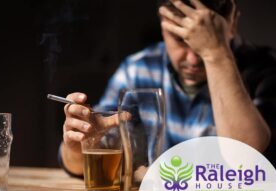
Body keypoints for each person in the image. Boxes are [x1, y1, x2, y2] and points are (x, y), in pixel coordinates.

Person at [58, 0, 276, 176]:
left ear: (233, 22)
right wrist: (80, 146)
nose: (192, 59)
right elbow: (83, 166)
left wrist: (216, 53)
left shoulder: (266, 71)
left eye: (202, 42)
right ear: (162, 22)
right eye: (180, 40)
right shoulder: (137, 70)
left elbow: (249, 165)